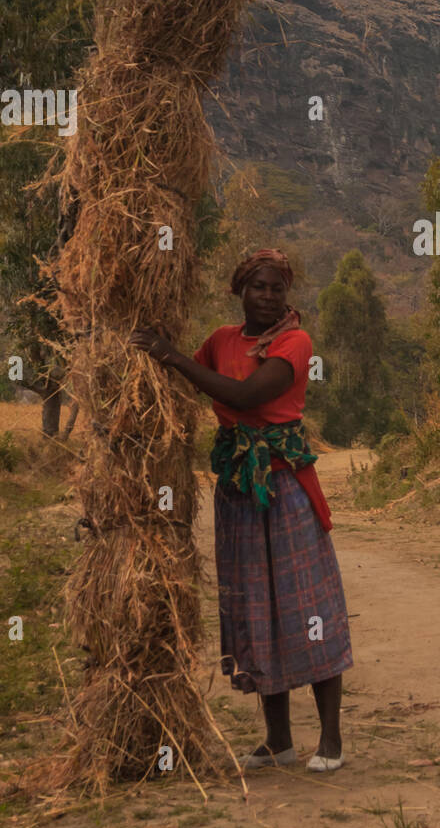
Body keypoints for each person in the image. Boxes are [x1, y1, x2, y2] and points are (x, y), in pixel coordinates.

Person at [129, 248, 352, 772]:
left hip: (284, 486)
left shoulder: (295, 342)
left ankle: (332, 742)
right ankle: (279, 741)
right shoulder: (222, 341)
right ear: (240, 291)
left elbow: (248, 396)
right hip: (237, 487)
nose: (269, 297)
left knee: (306, 605)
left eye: (277, 288)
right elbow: (191, 382)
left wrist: (168, 353)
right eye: (259, 287)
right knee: (255, 607)